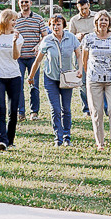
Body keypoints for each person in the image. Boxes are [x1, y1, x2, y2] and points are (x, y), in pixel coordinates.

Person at [33, 13, 82, 145]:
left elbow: (78, 54)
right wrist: (31, 76)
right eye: (53, 24)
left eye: (58, 24)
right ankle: (58, 138)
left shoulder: (71, 38)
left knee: (66, 108)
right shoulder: (47, 40)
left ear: (63, 26)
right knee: (55, 109)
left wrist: (80, 69)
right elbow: (38, 60)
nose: (55, 27)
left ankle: (67, 137)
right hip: (51, 77)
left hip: (66, 78)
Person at [81, 11, 111, 149]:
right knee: (96, 111)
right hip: (94, 80)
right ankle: (100, 142)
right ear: (96, 22)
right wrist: (89, 75)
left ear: (109, 23)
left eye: (105, 20)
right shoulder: (89, 38)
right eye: (100, 20)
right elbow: (84, 59)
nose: (103, 22)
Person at [0, 9, 25, 150]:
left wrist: (14, 42)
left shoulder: (18, 37)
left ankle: (10, 140)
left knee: (13, 110)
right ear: (4, 20)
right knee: (0, 108)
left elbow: (16, 57)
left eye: (16, 20)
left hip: (14, 76)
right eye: (12, 20)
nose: (15, 23)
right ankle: (2, 140)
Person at [13, 0, 47, 115]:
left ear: (31, 3)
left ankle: (34, 111)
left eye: (26, 2)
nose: (24, 4)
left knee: (34, 85)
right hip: (19, 58)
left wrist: (38, 45)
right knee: (18, 85)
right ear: (18, 3)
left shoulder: (38, 19)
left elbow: (45, 36)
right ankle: (20, 111)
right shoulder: (15, 19)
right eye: (21, 2)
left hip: (34, 58)